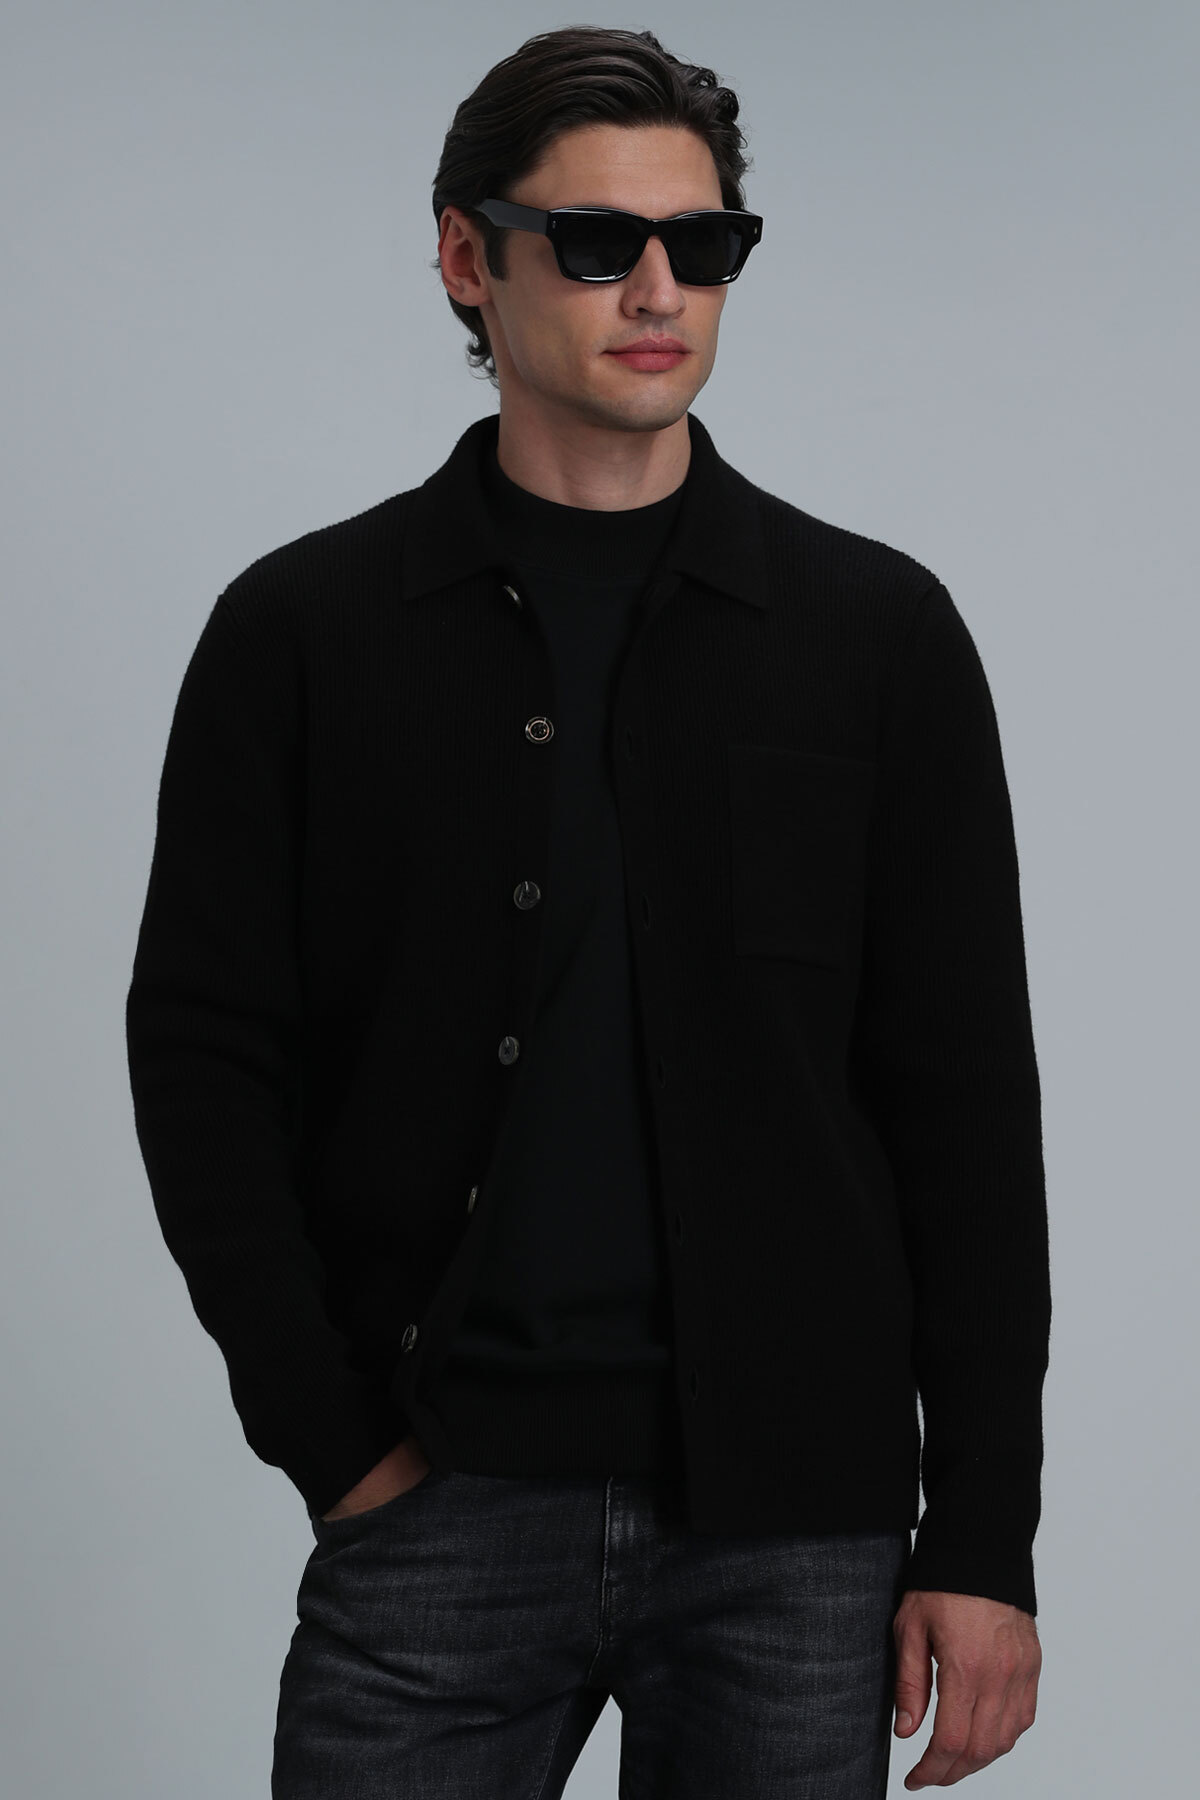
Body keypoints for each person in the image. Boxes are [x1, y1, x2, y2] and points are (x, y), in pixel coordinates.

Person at [125, 25, 1050, 1799]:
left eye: (704, 246)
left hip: (799, 1536)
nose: (657, 290)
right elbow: (205, 1058)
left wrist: (984, 1533)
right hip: (438, 1504)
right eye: (598, 241)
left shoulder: (876, 639)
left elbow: (964, 1108)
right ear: (467, 258)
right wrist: (330, 1439)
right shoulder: (304, 634)